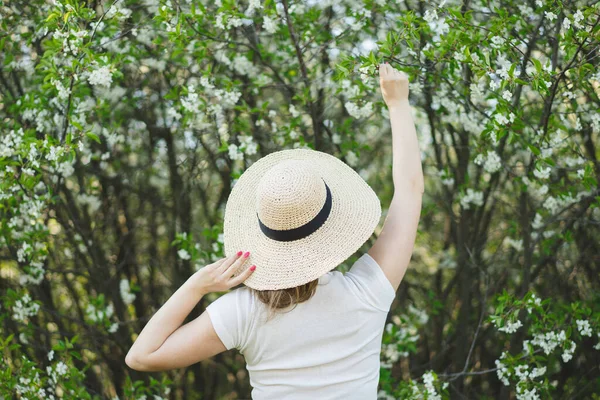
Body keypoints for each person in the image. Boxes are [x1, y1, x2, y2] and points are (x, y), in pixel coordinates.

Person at [125, 63, 424, 399]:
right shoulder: (368, 292)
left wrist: (198, 284)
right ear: (333, 228)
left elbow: (141, 356)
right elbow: (410, 192)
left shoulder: (243, 313)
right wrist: (397, 104)